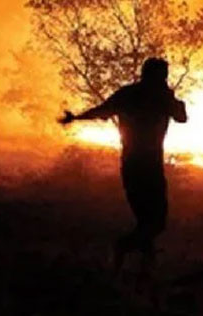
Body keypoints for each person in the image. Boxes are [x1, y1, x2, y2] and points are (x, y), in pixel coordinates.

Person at [60, 57, 188, 278]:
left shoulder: (129, 94)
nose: (164, 79)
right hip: (148, 167)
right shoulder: (160, 98)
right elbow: (181, 117)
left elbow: (102, 110)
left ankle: (144, 270)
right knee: (156, 222)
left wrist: (76, 118)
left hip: (133, 165)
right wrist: (172, 98)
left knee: (146, 220)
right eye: (163, 75)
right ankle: (123, 249)